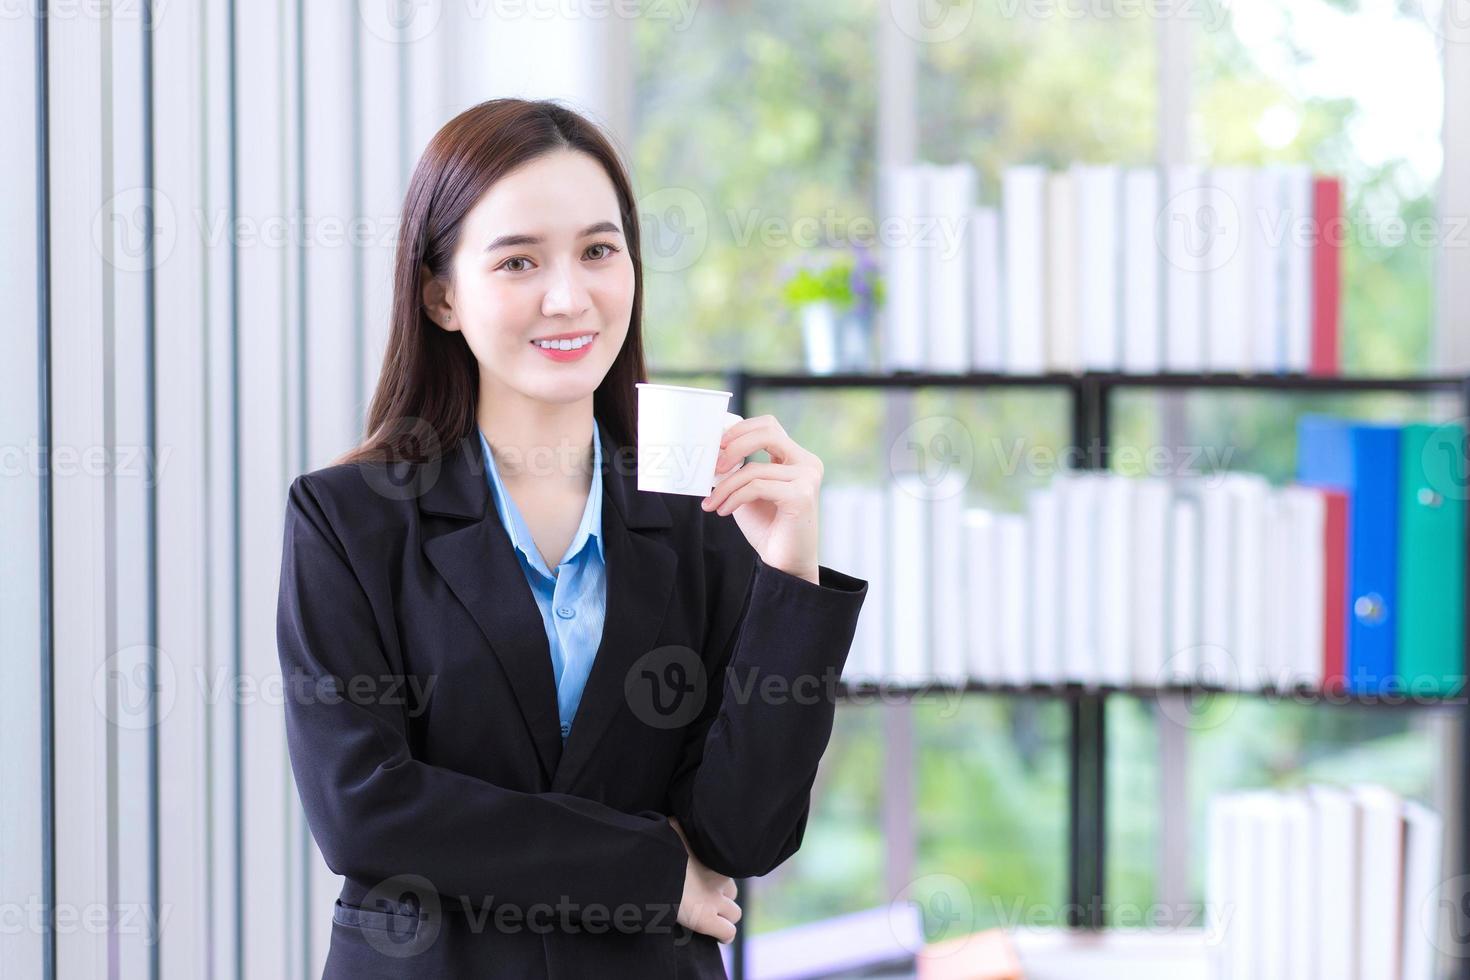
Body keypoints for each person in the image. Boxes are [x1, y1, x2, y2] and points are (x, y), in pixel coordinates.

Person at [275, 97, 868, 978]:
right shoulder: (351, 520)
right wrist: (651, 871)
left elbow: (744, 831)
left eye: (598, 251)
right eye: (518, 261)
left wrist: (787, 568)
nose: (569, 296)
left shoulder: (700, 516)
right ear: (442, 295)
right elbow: (366, 811)